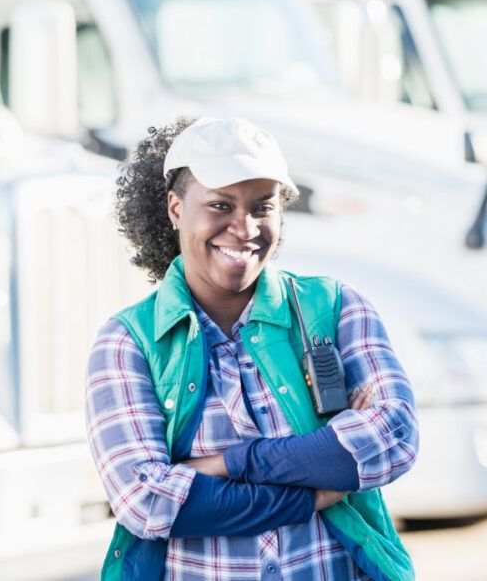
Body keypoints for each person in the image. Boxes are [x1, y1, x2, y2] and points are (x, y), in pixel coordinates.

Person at [85, 116, 418, 581]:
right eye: (221, 205)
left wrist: (227, 464)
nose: (244, 229)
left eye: (263, 207)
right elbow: (147, 502)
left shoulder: (335, 308)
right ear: (176, 208)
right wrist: (318, 489)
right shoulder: (127, 344)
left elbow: (394, 438)